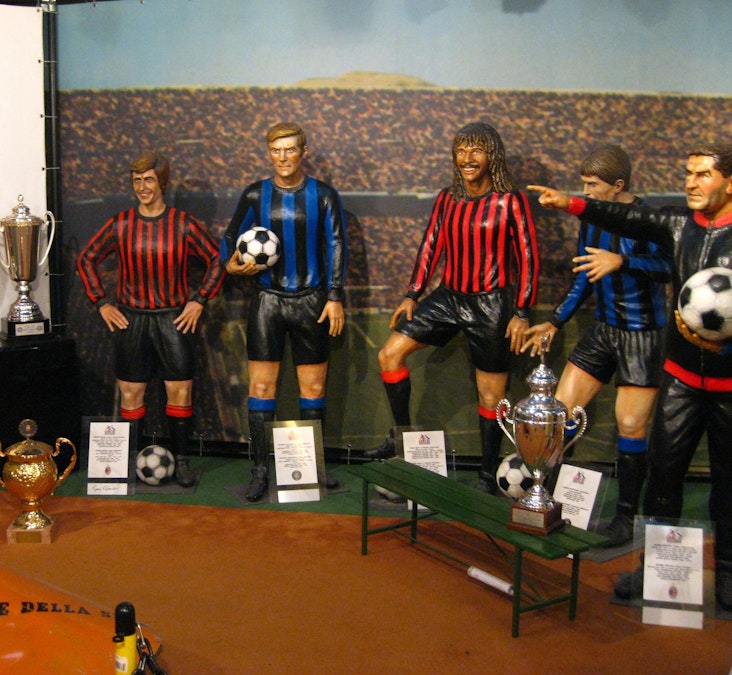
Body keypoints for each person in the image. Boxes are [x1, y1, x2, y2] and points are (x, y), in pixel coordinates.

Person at [528, 141, 732, 610]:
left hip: (658, 344)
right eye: (688, 173)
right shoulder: (672, 222)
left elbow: (656, 260)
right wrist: (571, 205)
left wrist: (623, 262)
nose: (690, 182)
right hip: (646, 354)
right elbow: (600, 247)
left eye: (703, 174)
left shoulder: (669, 226)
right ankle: (650, 563)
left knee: (718, 474)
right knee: (657, 469)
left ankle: (721, 566)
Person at [365, 121, 540, 496]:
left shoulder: (511, 201)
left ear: (492, 156)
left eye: (476, 150)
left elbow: (528, 258)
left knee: (491, 396)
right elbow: (430, 245)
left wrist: (522, 311)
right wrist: (413, 293)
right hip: (448, 297)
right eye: (461, 150)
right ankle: (401, 439)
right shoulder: (447, 198)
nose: (467, 158)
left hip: (491, 304)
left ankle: (487, 475)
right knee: (389, 354)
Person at [520, 144, 672, 547]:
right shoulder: (590, 219)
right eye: (583, 184)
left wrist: (622, 262)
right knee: (559, 413)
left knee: (630, 425)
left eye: (593, 185)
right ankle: (545, 499)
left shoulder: (649, 219)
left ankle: (626, 517)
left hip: (641, 334)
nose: (586, 192)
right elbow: (583, 277)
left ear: (618, 185)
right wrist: (555, 320)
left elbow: (668, 267)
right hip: (603, 330)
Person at [77, 151, 224, 488]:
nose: (142, 187)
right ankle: (130, 459)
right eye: (136, 181)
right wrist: (101, 303)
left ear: (162, 183)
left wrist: (200, 300)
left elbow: (217, 259)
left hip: (173, 318)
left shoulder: (183, 224)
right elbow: (86, 259)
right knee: (131, 393)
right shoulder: (121, 224)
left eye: (148, 180)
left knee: (180, 391)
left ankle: (182, 459)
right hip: (131, 319)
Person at [222, 122, 347, 502]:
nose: (283, 157)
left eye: (290, 149)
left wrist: (334, 296)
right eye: (276, 150)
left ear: (303, 152)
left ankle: (314, 467)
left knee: (313, 389)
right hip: (268, 301)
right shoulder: (255, 194)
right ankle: (260, 470)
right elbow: (230, 237)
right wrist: (231, 264)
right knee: (261, 388)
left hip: (312, 301)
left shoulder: (323, 195)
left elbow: (336, 243)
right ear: (269, 153)